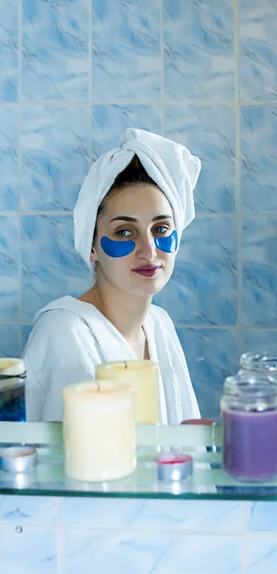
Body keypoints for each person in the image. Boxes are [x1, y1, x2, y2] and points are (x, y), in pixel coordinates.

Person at [23, 128, 201, 424]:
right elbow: (56, 464)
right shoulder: (66, 333)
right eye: (124, 232)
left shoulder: (160, 324)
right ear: (92, 246)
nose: (149, 250)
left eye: (160, 229)